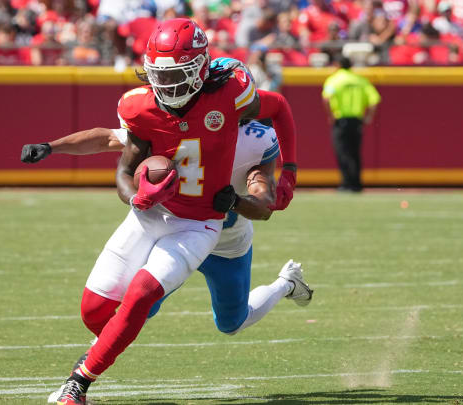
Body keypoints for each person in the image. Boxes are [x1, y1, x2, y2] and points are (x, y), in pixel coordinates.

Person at [28, 20, 299, 405]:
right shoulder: (143, 107)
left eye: (177, 77)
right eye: (161, 76)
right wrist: (137, 197)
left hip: (208, 226)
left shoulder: (242, 113)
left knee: (172, 304)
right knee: (95, 312)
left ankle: (78, 383)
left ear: (202, 71)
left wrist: (279, 177)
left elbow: (278, 114)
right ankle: (104, 345)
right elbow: (121, 161)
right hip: (155, 214)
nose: (168, 87)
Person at [322, 55, 380, 192]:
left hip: (340, 120)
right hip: (357, 120)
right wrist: (369, 117)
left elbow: (326, 98)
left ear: (337, 65)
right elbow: (374, 100)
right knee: (355, 153)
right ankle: (357, 183)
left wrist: (330, 116)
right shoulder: (360, 80)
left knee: (342, 151)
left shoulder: (334, 79)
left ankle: (346, 183)